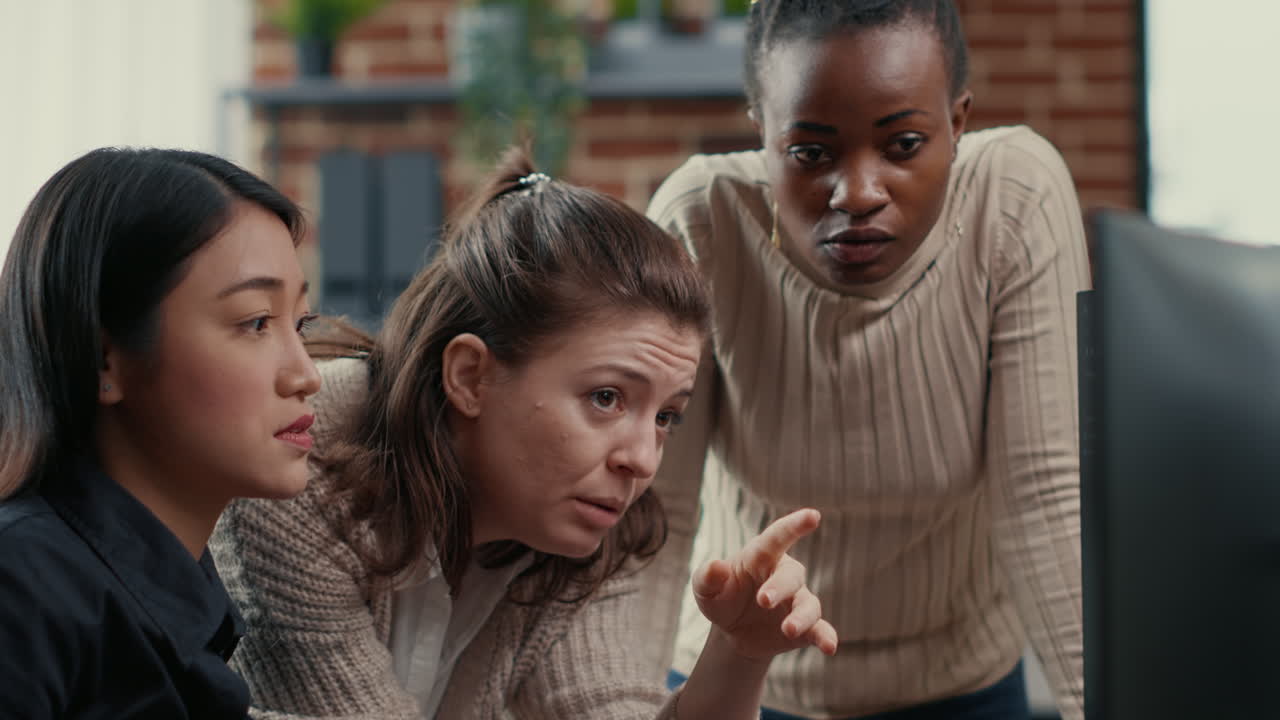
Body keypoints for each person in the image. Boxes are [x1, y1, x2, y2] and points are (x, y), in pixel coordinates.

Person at [210, 147, 837, 719]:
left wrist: (740, 652)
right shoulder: (298, 464)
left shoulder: (584, 524)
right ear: (471, 376)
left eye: (666, 415)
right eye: (606, 398)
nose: (642, 461)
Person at [639, 1, 1089, 718]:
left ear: (959, 123)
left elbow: (1045, 498)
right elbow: (654, 517)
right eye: (811, 153)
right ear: (762, 133)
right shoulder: (703, 220)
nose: (858, 193)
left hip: (961, 690)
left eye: (904, 144)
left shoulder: (1015, 197)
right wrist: (621, 708)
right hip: (741, 685)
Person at [0, 148, 321, 718]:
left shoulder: (176, 594)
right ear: (104, 359)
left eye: (300, 325)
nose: (306, 375)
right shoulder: (22, 589)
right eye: (255, 323)